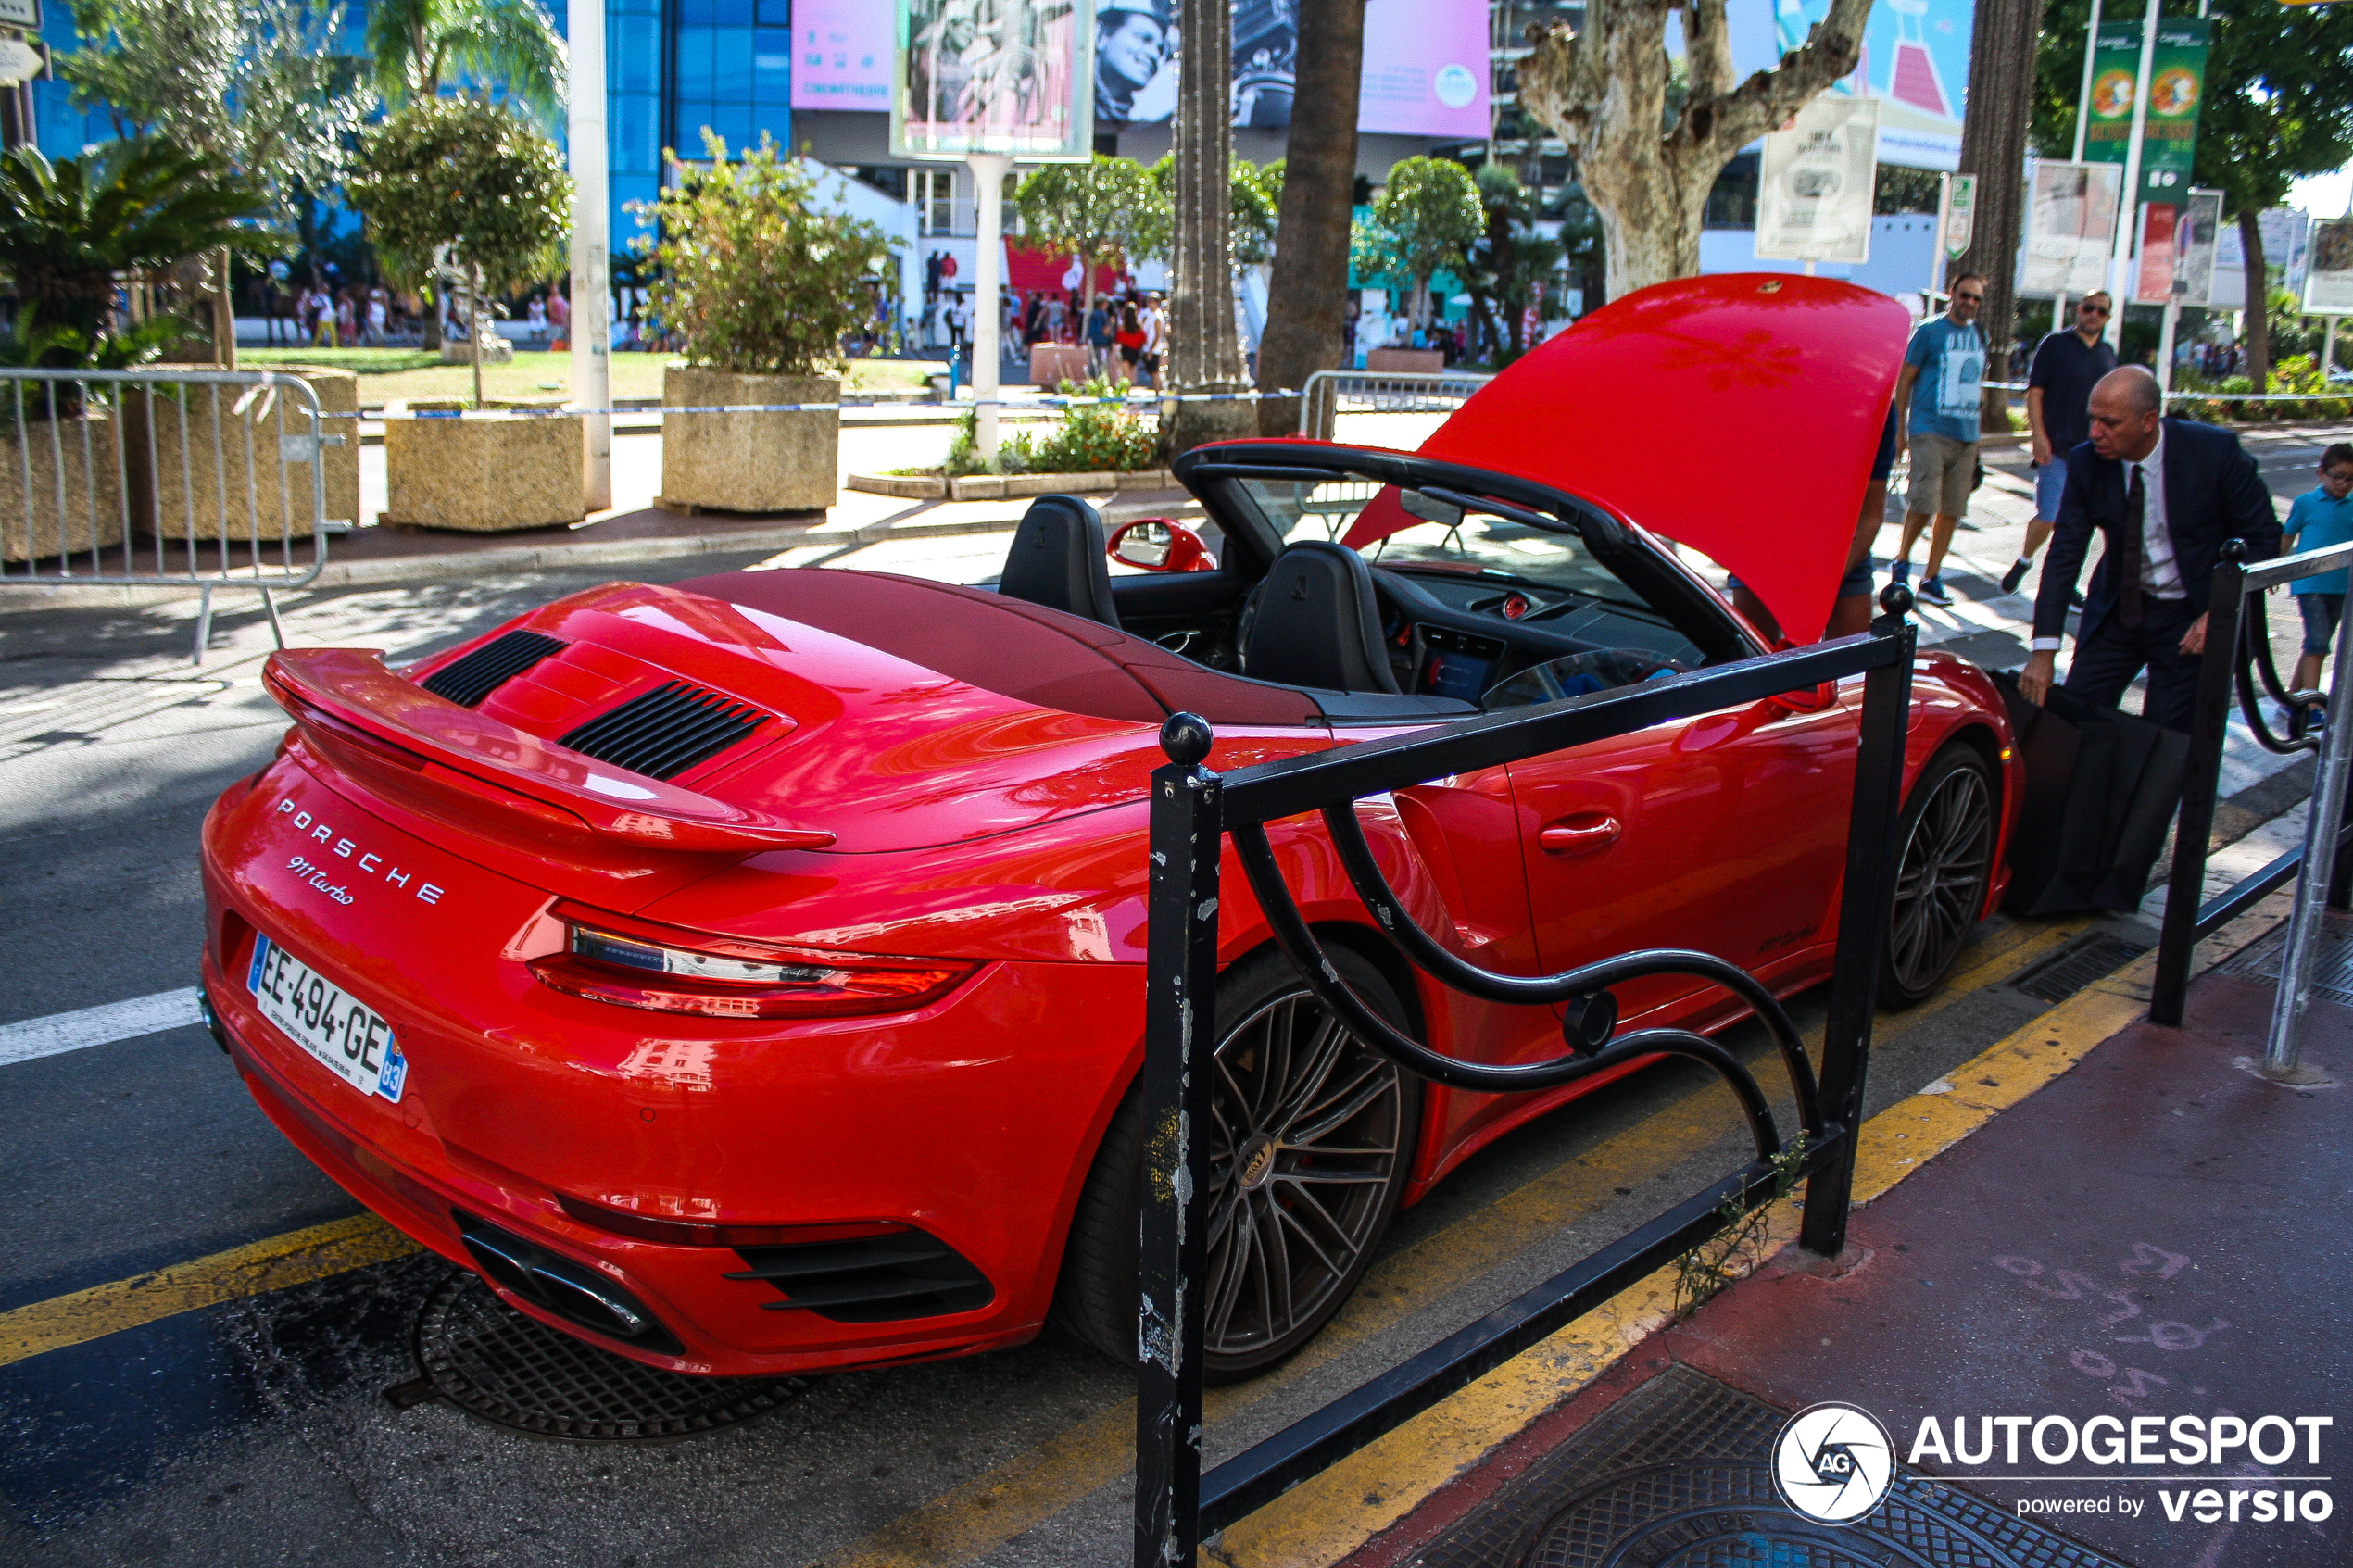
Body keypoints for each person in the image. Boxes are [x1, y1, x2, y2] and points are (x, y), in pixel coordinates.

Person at [2018, 367, 2281, 731]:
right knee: (2071, 716)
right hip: (2122, 606)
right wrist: (2043, 652)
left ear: (2148, 421)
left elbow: (2265, 538)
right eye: (2092, 419)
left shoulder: (2212, 453)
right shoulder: (2087, 461)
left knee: (2164, 737)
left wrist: (2219, 613)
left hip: (2192, 613)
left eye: (2109, 423)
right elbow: (2064, 554)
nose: (2096, 433)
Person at [2005, 292, 2117, 597]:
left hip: (2093, 453)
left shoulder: (2107, 354)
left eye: (2101, 311)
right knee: (2050, 515)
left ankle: (2067, 585)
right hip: (2056, 448)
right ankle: (2025, 559)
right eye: (2089, 308)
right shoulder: (2054, 345)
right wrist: (2038, 436)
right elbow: (2035, 393)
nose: (2094, 314)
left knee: (2082, 524)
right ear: (2079, 310)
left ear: (2108, 317)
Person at [1887, 273, 1987, 608]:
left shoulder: (1978, 335)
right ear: (1952, 294)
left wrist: (1979, 443)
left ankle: (1932, 576)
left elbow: (1977, 390)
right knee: (1924, 502)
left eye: (1975, 298)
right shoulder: (1929, 332)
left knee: (1952, 510)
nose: (1969, 302)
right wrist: (1899, 430)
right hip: (1929, 429)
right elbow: (1905, 380)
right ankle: (1902, 561)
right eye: (1964, 295)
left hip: (1966, 435)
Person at [2278, 444, 2353, 699]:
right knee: (2318, 642)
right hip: (2310, 583)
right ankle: (2311, 704)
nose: (2344, 483)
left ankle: (2292, 697)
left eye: (2350, 479)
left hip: (2340, 584)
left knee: (2315, 644)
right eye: (2338, 477)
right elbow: (2287, 536)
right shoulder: (2306, 503)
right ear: (2321, 474)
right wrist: (2274, 569)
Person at [1139, 293, 1165, 389]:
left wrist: (1151, 350)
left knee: (1154, 371)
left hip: (1154, 349)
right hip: (1146, 347)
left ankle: (1158, 392)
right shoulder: (1147, 314)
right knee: (1150, 370)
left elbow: (1157, 335)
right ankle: (1157, 388)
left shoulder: (1158, 316)